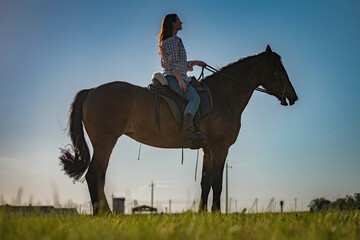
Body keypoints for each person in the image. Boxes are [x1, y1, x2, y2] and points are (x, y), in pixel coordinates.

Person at [158, 13, 206, 143]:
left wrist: (195, 62)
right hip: (174, 77)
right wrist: (180, 80)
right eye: (179, 21)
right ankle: (187, 132)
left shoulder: (171, 40)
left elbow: (180, 64)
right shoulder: (173, 41)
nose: (182, 23)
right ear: (173, 24)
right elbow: (173, 65)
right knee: (194, 98)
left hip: (176, 75)